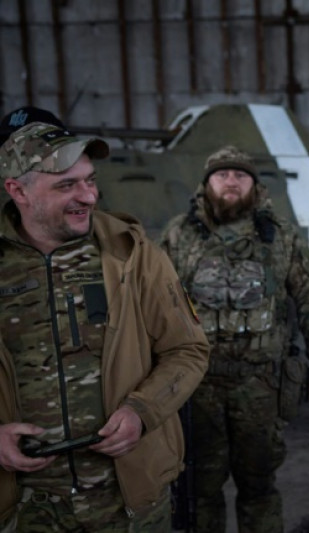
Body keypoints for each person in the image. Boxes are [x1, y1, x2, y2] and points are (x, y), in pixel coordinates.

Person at [0, 121, 210, 530]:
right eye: (67, 186)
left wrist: (142, 410)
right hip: (23, 511)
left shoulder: (134, 255)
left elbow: (188, 350)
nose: (89, 196)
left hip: (129, 503)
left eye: (90, 181)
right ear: (18, 191)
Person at [159, 146, 309, 533]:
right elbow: (151, 305)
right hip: (197, 386)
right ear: (205, 185)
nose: (231, 182)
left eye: (241, 175)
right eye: (222, 175)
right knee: (198, 489)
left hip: (259, 384)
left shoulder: (280, 236)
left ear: (255, 186)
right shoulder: (178, 235)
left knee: (259, 486)